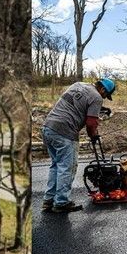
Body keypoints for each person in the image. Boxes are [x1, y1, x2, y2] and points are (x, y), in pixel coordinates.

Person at [41, 77, 116, 214]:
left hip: (48, 127)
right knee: (67, 167)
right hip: (64, 131)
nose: (104, 97)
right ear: (103, 89)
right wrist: (93, 135)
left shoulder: (79, 84)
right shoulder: (97, 97)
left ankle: (49, 200)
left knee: (56, 165)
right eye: (106, 95)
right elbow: (91, 123)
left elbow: (78, 104)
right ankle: (62, 202)